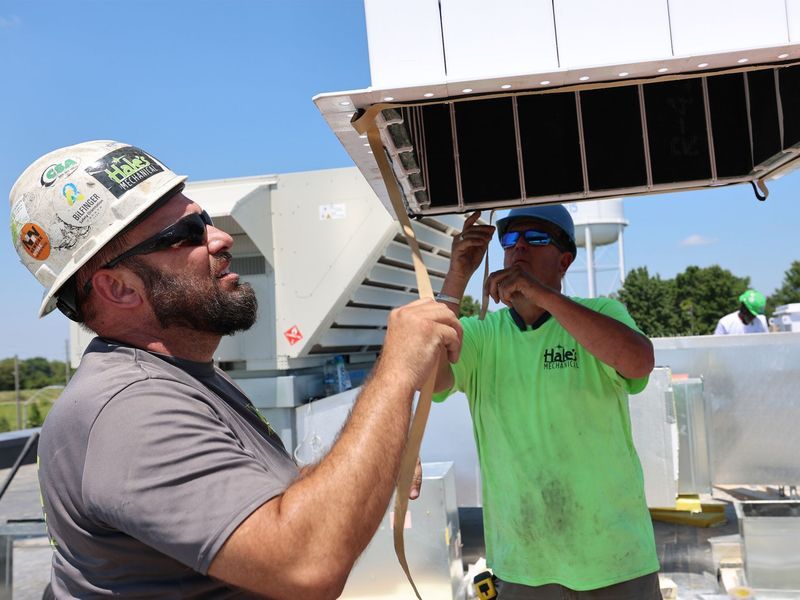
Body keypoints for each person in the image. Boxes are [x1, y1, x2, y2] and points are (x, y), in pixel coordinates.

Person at [9, 140, 462, 599]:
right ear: (119, 289)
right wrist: (397, 370)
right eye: (187, 232)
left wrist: (374, 458)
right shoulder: (130, 407)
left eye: (205, 220)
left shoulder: (186, 377)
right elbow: (304, 565)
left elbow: (263, 504)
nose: (221, 238)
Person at [433, 206, 661, 598]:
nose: (519, 246)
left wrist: (542, 295)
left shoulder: (601, 314)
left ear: (565, 259)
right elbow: (428, 377)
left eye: (536, 238)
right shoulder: (482, 334)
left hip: (615, 560)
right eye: (510, 239)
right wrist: (456, 277)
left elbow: (638, 361)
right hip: (523, 564)